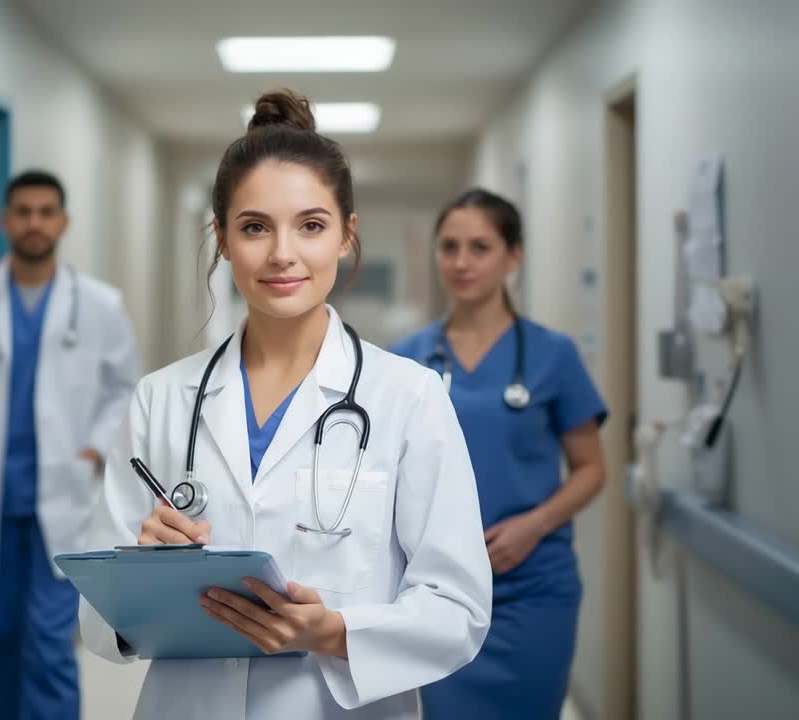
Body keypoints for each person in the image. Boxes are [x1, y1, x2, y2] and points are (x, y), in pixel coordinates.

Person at [78, 90, 492, 720]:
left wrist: (329, 633)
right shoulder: (161, 399)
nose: (281, 254)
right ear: (221, 238)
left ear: (347, 236)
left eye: (311, 225)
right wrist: (141, 570)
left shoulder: (409, 397)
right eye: (253, 227)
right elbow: (98, 618)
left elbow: (457, 607)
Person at [0, 169, 139, 720]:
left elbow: (126, 389)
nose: (34, 223)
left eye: (45, 212)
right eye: (23, 211)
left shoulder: (99, 304)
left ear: (62, 221)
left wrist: (92, 448)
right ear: (5, 220)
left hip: (61, 503)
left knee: (47, 648)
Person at [389, 188, 608, 720]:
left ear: (514, 256)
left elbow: (592, 469)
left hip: (533, 586)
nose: (461, 262)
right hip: (438, 589)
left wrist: (533, 525)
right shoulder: (406, 360)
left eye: (480, 247)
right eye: (449, 247)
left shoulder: (553, 356)